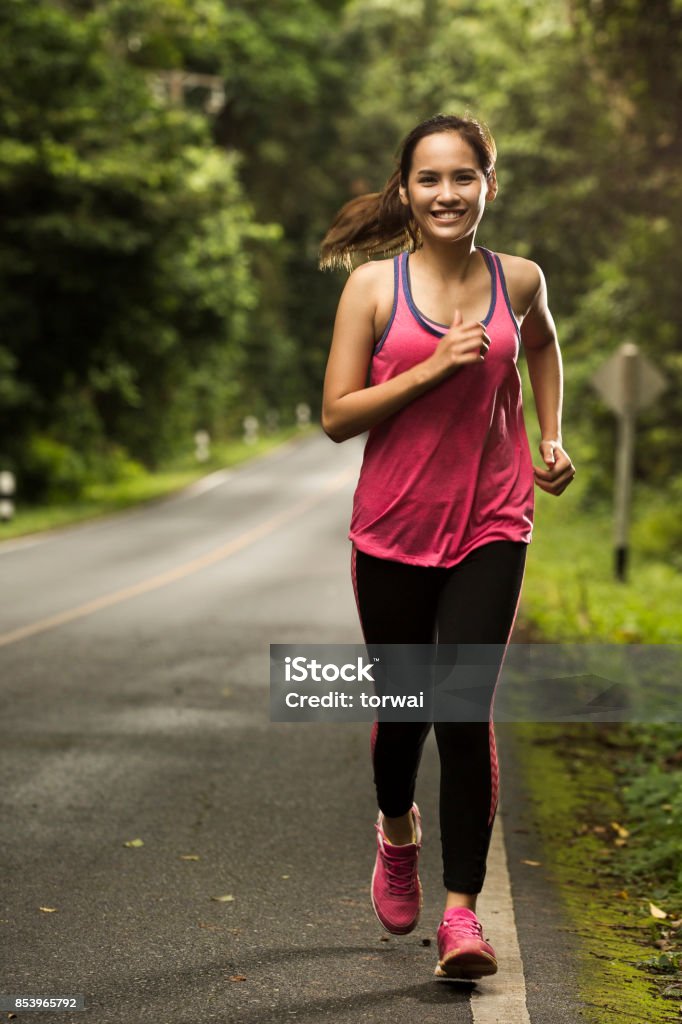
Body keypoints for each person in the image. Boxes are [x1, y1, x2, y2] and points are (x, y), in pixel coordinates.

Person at [318, 113, 575, 981]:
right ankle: (397, 832)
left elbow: (542, 344)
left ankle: (461, 916)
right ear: (405, 190)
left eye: (464, 177)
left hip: (492, 524)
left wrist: (550, 434)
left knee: (464, 712)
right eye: (430, 179)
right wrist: (432, 367)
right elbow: (335, 417)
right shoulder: (372, 290)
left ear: (488, 187)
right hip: (391, 528)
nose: (446, 194)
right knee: (406, 718)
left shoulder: (522, 280)